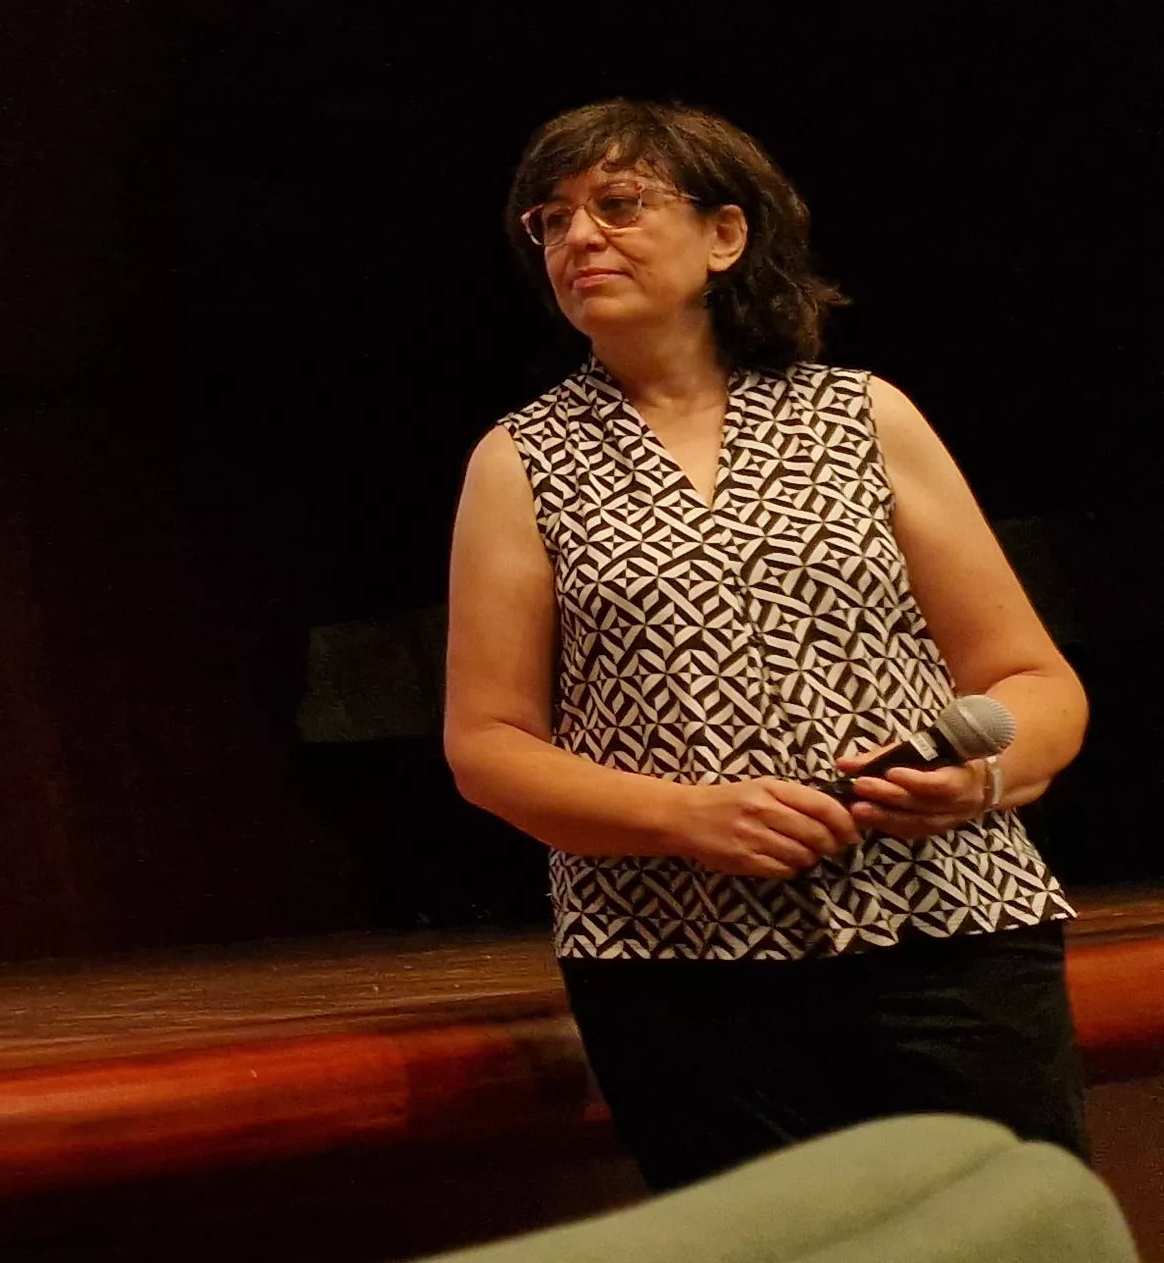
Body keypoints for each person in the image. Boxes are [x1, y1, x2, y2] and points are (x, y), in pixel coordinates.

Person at [440, 99, 1089, 1191]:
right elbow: (488, 746)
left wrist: (980, 781)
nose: (577, 239)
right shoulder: (518, 460)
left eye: (618, 205)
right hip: (679, 970)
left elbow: (1034, 682)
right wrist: (683, 816)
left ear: (724, 235)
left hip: (945, 928)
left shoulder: (863, 414)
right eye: (548, 222)